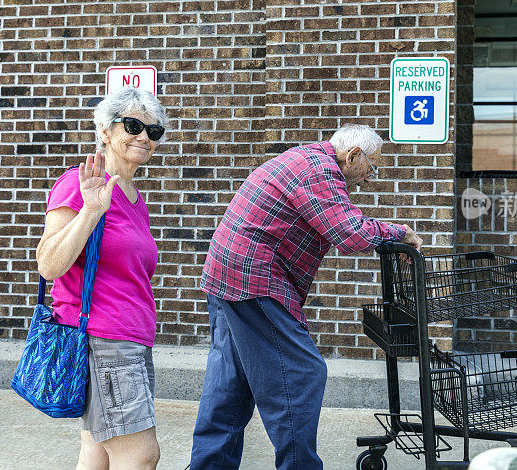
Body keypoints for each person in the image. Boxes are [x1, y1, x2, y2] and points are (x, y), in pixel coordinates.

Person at [189, 124, 424, 469]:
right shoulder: (321, 170)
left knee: (232, 380)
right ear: (353, 155)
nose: (370, 179)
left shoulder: (306, 158)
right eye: (371, 168)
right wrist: (400, 232)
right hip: (254, 278)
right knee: (302, 373)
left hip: (227, 273)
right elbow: (351, 232)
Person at [35, 87, 167, 470]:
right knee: (141, 456)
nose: (144, 136)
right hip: (105, 341)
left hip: (130, 341)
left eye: (153, 131)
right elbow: (48, 264)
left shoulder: (133, 195)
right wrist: (91, 211)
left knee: (97, 455)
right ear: (105, 131)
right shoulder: (79, 184)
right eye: (132, 125)